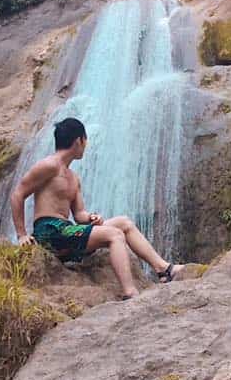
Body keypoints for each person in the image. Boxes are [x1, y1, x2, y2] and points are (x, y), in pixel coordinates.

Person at [10, 117, 184, 300]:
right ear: (79, 140)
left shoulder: (73, 177)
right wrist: (21, 234)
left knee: (123, 223)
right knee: (114, 235)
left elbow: (79, 215)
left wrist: (92, 218)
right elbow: (18, 194)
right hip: (50, 231)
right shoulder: (49, 165)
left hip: (67, 230)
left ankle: (164, 269)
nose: (86, 145)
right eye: (86, 141)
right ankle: (130, 292)